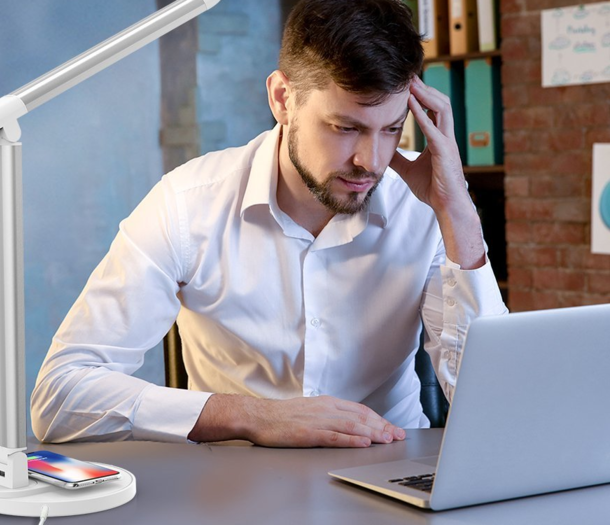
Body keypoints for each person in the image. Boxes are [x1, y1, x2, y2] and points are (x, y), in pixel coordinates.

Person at [31, 0, 507, 448]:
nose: (372, 161)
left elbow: (495, 405)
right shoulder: (186, 206)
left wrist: (456, 209)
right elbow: (60, 397)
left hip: (390, 474)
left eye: (390, 128)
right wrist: (253, 417)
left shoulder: (427, 205)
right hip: (235, 485)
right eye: (345, 128)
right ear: (283, 98)